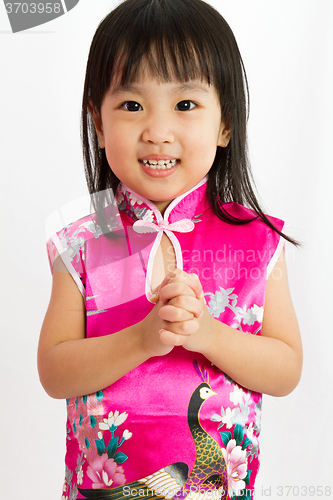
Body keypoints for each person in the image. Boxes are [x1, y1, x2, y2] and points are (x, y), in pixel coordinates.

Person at [38, 0, 303, 499]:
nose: (157, 132)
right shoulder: (81, 240)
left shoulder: (257, 241)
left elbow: (285, 368)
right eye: (132, 105)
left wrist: (207, 334)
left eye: (185, 105)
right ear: (98, 122)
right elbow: (54, 370)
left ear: (225, 124)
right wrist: (141, 340)